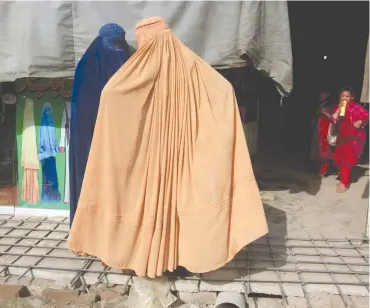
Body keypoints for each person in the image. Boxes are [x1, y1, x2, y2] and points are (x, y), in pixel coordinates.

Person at [67, 17, 268, 277]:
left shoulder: (130, 78)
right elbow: (224, 89)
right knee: (180, 198)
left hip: (148, 164)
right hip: (184, 158)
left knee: (147, 201)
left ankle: (146, 254)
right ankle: (183, 256)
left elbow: (112, 96)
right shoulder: (195, 68)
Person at [69, 24, 131, 227]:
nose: (118, 50)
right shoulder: (88, 71)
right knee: (92, 179)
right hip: (91, 138)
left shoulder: (125, 62)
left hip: (116, 140)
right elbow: (87, 111)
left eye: (121, 44)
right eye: (114, 45)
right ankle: (89, 231)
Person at [321, 87, 369, 193]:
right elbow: (334, 120)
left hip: (355, 137)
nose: (344, 98)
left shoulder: (356, 107)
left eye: (347, 96)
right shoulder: (339, 107)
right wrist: (338, 110)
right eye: (342, 96)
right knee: (339, 159)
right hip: (342, 137)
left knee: (346, 161)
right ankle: (343, 177)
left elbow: (367, 115)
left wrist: (361, 120)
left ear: (352, 97)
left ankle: (345, 183)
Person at [309, 91, 334, 176]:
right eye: (320, 93)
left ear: (328, 95)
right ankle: (316, 169)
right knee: (316, 149)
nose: (321, 95)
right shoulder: (320, 104)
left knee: (325, 150)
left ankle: (323, 171)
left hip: (326, 129)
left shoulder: (331, 105)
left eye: (323, 93)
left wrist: (324, 112)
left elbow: (334, 118)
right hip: (318, 129)